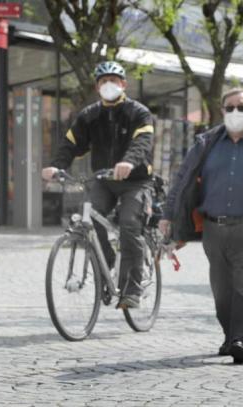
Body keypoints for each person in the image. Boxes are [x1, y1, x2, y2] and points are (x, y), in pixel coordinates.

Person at [159, 88, 243, 365]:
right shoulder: (206, 143)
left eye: (242, 107)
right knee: (222, 291)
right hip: (214, 230)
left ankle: (240, 339)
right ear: (222, 111)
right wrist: (168, 215)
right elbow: (182, 181)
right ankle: (229, 335)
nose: (236, 112)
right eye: (230, 107)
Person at [42, 61, 155, 309]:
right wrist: (57, 166)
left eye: (113, 80)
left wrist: (128, 162)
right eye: (103, 81)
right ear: (97, 87)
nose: (108, 85)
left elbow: (142, 142)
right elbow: (70, 144)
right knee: (89, 218)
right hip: (104, 181)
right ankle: (107, 262)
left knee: (128, 224)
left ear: (123, 84)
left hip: (135, 181)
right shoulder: (89, 115)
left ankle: (132, 288)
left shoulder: (139, 113)